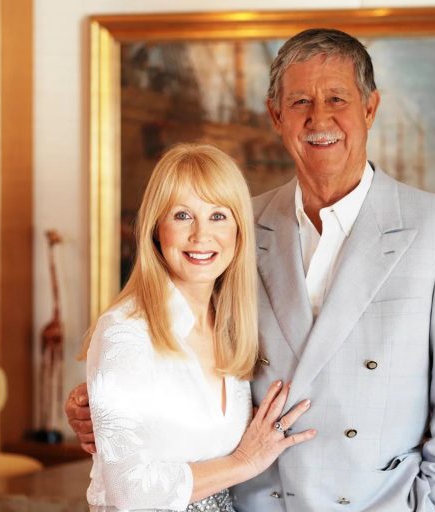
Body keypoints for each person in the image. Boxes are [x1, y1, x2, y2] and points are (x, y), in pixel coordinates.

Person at [68, 29, 435, 511]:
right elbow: (169, 340)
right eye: (299, 102)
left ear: (370, 108)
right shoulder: (234, 227)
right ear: (276, 116)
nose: (319, 118)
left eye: (337, 98)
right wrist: (99, 406)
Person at [81, 143, 316, 511]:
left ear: (239, 230)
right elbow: (128, 491)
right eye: (182, 215)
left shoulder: (230, 326)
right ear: (156, 229)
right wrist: (243, 463)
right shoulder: (124, 331)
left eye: (218, 216)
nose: (201, 235)